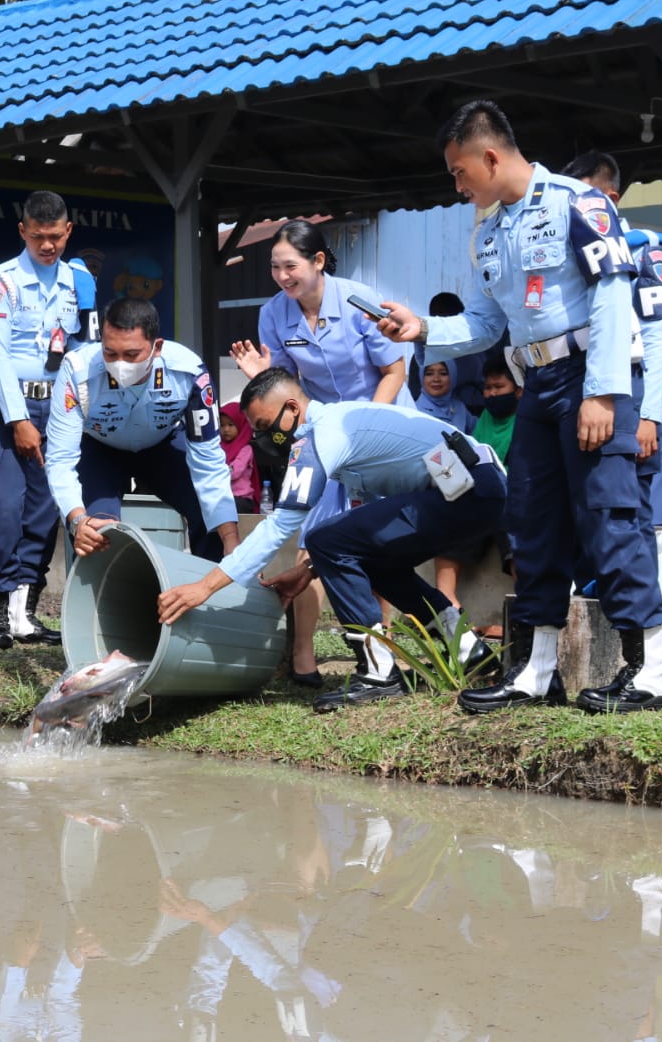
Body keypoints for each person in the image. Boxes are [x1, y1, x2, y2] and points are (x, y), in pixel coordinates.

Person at [373, 100, 662, 715]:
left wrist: (605, 393)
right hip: (536, 382)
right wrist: (423, 327)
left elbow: (616, 295)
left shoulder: (575, 202)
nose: (456, 186)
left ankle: (652, 672)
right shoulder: (488, 230)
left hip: (593, 372)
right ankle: (537, 671)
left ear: (489, 155)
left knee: (610, 517)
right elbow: (487, 323)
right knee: (531, 522)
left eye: (459, 172)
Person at [157, 369, 504, 711]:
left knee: (326, 538)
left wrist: (205, 587)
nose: (264, 438)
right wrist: (308, 570)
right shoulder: (339, 429)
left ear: (292, 408)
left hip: (467, 488)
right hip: (469, 489)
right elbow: (361, 525)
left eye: (265, 426)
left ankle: (378, 673)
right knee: (369, 557)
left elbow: (280, 524)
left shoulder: (325, 432)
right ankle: (466, 649)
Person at [228, 219, 411, 690]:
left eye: (291, 266)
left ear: (318, 261)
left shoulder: (357, 301)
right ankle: (303, 657)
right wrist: (261, 375)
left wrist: (367, 426)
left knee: (373, 543)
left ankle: (380, 651)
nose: (282, 276)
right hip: (320, 433)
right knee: (312, 536)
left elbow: (394, 369)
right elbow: (285, 389)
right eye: (274, 268)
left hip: (377, 425)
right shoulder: (273, 313)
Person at [46, 297, 240, 562]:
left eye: (131, 355)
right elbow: (60, 457)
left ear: (156, 347)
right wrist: (77, 519)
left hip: (163, 445)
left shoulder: (190, 373)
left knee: (211, 515)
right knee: (98, 530)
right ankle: (101, 602)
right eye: (110, 353)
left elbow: (209, 459)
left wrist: (231, 538)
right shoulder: (77, 371)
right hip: (100, 450)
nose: (119, 364)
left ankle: (212, 592)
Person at [0, 191, 80, 648]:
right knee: (4, 507)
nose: (48, 245)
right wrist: (18, 420)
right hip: (7, 410)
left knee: (44, 512)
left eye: (56, 236)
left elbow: (81, 344)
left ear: (68, 231)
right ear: (23, 231)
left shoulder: (78, 281)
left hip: (57, 407)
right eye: (38, 236)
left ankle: (25, 616)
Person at [564, 150, 662, 530]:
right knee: (589, 505)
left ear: (610, 200)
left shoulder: (644, 248)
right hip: (586, 388)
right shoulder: (575, 249)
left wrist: (650, 416)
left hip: (635, 397)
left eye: (586, 198)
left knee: (632, 512)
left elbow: (658, 335)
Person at [433, 358, 522, 605]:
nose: (492, 394)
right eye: (488, 388)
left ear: (517, 390)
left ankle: (526, 600)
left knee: (517, 534)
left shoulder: (526, 420)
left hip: (513, 496)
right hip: (481, 493)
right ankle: (445, 599)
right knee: (455, 523)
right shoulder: (485, 417)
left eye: (498, 387)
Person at [220, 402, 262, 513]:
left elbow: (235, 472)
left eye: (230, 425)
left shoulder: (245, 449)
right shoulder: (217, 447)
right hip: (222, 497)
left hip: (241, 498)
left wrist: (215, 472)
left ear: (240, 424)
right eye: (222, 425)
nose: (226, 429)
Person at [414, 360, 474, 431]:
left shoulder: (458, 407)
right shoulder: (415, 412)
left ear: (453, 376)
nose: (436, 379)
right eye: (429, 374)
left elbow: (479, 430)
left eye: (443, 373)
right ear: (422, 378)